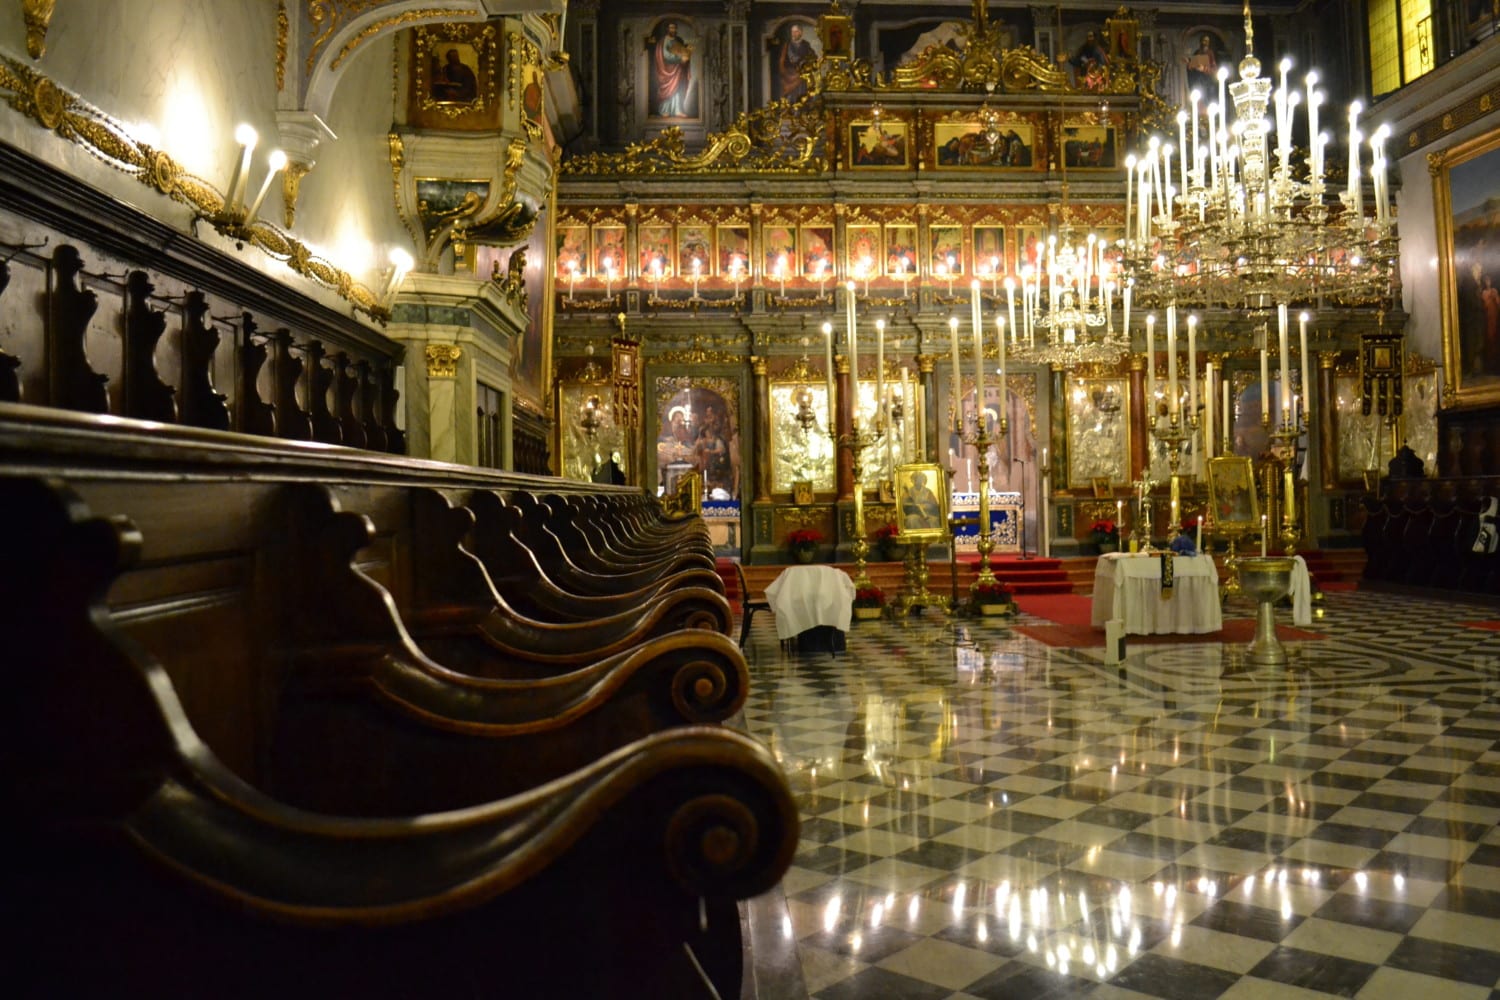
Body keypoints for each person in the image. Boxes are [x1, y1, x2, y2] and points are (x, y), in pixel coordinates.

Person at [652, 21, 694, 118]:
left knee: (678, 88)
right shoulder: (664, 41)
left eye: (674, 28)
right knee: (668, 89)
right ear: (667, 29)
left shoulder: (678, 40)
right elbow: (665, 56)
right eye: (671, 28)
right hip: (666, 70)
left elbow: (683, 52)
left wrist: (686, 57)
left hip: (678, 69)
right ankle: (665, 110)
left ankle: (678, 110)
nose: (673, 30)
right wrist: (680, 58)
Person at [777, 23, 816, 101]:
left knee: (802, 95)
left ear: (801, 33)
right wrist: (785, 73)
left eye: (796, 31)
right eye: (792, 32)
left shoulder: (806, 45)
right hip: (789, 74)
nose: (794, 34)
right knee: (790, 97)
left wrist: (806, 67)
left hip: (801, 75)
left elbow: (813, 58)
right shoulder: (787, 45)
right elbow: (782, 60)